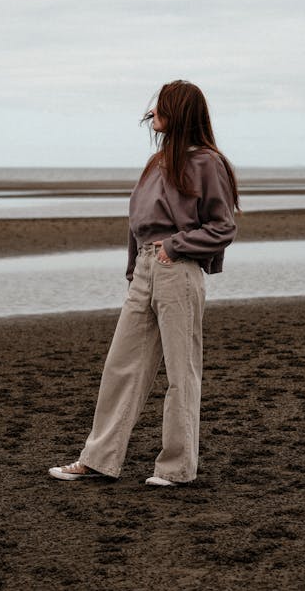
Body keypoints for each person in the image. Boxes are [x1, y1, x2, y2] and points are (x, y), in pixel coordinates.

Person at [50, 80, 240, 486]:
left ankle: (176, 469)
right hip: (146, 272)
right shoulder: (156, 163)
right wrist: (134, 269)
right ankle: (99, 459)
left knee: (180, 372)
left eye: (162, 106)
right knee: (121, 366)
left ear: (181, 112)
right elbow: (135, 223)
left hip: (178, 268)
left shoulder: (207, 162)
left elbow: (223, 226)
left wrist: (176, 245)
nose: (154, 112)